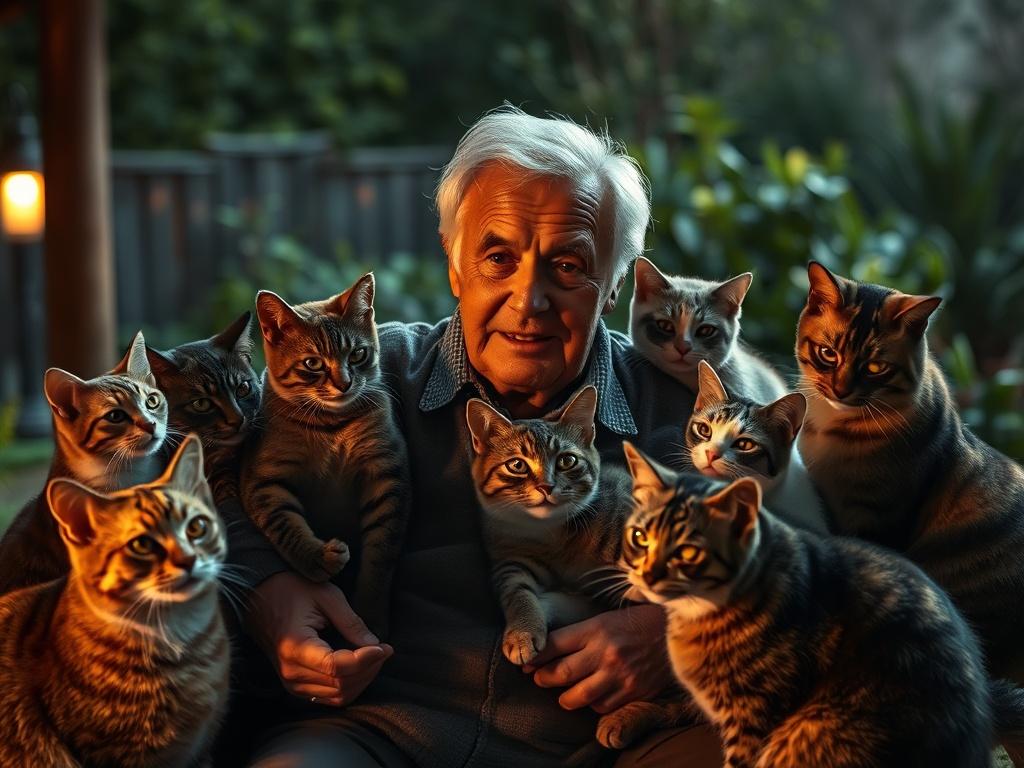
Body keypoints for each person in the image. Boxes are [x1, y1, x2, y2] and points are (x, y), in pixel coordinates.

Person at [220, 106, 722, 767]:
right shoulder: (381, 376)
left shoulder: (690, 413)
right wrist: (268, 593)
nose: (528, 300)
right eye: (497, 257)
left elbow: (809, 568)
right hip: (374, 734)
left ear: (613, 288)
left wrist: (679, 634)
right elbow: (207, 477)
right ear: (455, 266)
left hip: (614, 749)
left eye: (567, 266)